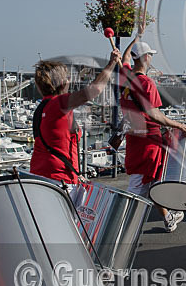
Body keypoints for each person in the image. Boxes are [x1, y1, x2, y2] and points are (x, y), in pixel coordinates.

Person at [120, 28, 186, 232]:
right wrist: (178, 124)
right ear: (144, 57)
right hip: (148, 141)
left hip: (133, 138)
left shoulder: (125, 77)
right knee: (139, 186)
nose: (151, 57)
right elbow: (154, 115)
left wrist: (136, 38)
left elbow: (125, 57)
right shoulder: (146, 83)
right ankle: (120, 228)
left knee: (150, 182)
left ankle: (168, 217)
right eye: (150, 54)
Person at [29, 50, 121, 199]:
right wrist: (111, 64)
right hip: (58, 179)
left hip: (44, 175)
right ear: (63, 82)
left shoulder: (42, 108)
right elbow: (94, 90)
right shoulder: (58, 104)